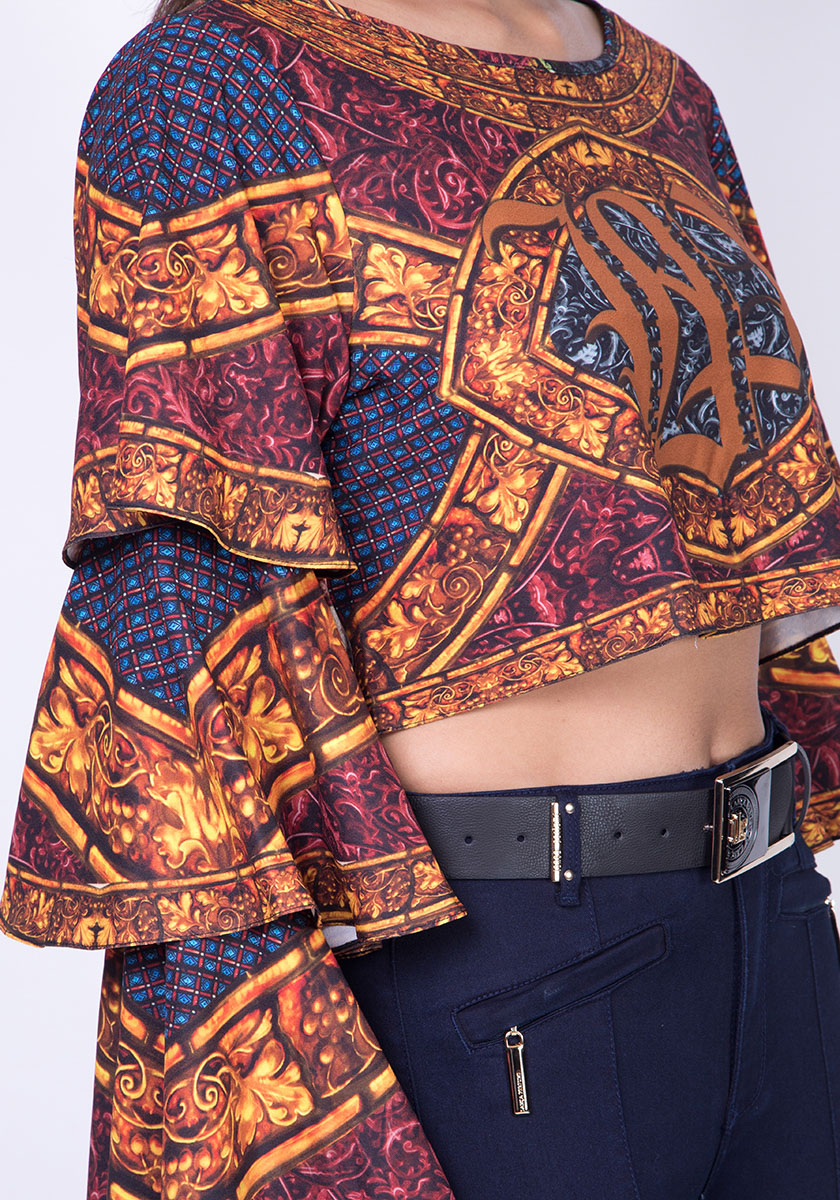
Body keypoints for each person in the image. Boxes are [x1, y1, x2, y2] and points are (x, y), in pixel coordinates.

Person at [2, 0, 839, 1197]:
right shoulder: (212, 84)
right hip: (511, 965)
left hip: (774, 916)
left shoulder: (664, 90)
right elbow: (182, 599)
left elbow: (737, 525)